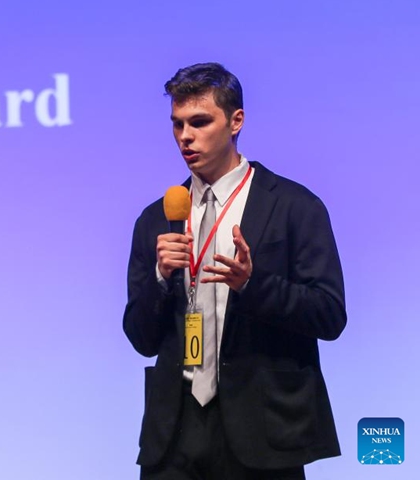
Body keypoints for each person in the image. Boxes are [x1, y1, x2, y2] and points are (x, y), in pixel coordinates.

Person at [122, 62, 346, 479]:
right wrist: (159, 278)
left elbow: (330, 315)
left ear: (236, 121)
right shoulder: (156, 219)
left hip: (264, 433)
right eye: (177, 124)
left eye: (200, 122)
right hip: (173, 435)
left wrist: (252, 285)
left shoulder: (294, 206)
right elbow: (139, 337)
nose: (185, 137)